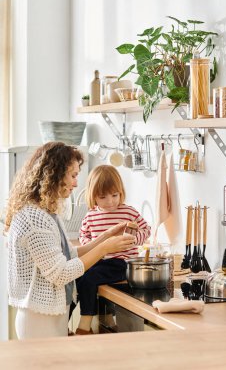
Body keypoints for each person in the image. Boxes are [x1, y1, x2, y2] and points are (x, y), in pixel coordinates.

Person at [5, 142, 135, 340]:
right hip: (39, 321)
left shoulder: (46, 212)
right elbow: (61, 273)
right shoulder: (34, 218)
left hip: (49, 316)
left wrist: (105, 236)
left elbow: (68, 255)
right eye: (73, 175)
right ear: (54, 175)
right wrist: (104, 249)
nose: (76, 183)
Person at [75, 164, 151, 335]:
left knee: (89, 278)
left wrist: (133, 241)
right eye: (103, 197)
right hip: (99, 261)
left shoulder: (128, 212)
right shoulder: (91, 215)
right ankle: (78, 319)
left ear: (121, 192)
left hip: (121, 264)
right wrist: (92, 243)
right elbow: (83, 236)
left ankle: (85, 322)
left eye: (114, 195)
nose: (110, 201)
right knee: (78, 278)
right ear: (93, 197)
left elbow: (146, 229)